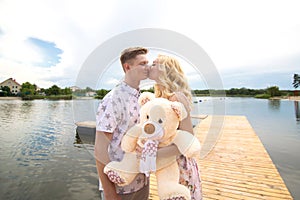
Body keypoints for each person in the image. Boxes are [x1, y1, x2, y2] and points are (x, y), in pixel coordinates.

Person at [94, 47, 150, 200]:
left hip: (142, 181)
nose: (148, 67)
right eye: (143, 63)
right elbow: (100, 150)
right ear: (128, 67)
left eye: (148, 63)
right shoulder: (114, 99)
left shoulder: (142, 97)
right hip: (121, 189)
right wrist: (110, 193)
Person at [148, 54, 202, 200]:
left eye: (154, 63)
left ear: (166, 70)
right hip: (168, 165)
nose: (149, 65)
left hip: (180, 167)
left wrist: (153, 153)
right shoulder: (159, 97)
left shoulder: (176, 97)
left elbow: (188, 139)